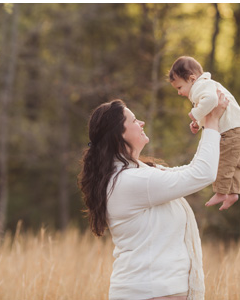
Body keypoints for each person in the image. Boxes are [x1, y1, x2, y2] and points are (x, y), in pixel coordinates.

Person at [78, 94, 227, 300]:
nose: (141, 122)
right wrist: (211, 122)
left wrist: (206, 122)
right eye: (133, 120)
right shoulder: (132, 180)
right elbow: (201, 174)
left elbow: (194, 171)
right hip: (153, 292)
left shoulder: (136, 174)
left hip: (152, 291)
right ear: (118, 135)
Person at [169, 55, 240, 211]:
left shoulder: (201, 86)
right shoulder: (208, 85)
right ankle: (233, 193)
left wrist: (195, 114)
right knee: (235, 164)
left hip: (229, 132)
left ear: (192, 79)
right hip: (239, 130)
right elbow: (211, 108)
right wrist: (198, 124)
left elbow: (211, 100)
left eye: (179, 87)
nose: (179, 93)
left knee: (223, 162)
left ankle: (221, 192)